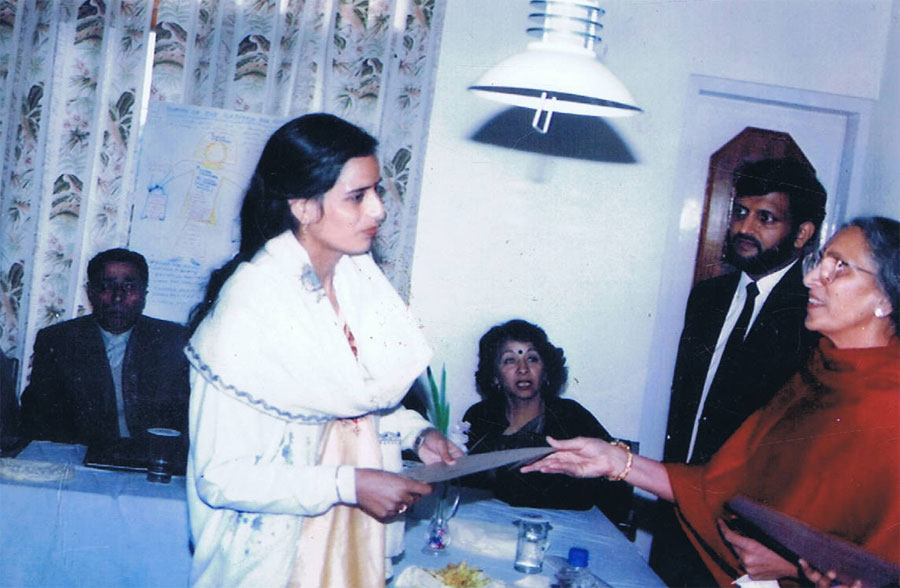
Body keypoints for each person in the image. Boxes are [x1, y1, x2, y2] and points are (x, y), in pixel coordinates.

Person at [524, 217, 899, 587]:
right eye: (820, 262)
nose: (811, 278)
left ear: (884, 299)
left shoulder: (890, 403)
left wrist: (794, 569)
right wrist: (614, 460)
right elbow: (718, 488)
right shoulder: (817, 373)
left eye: (840, 267)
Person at [185, 113, 461, 588]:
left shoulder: (356, 285)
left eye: (377, 192)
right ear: (303, 207)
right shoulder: (249, 309)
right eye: (357, 196)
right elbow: (222, 476)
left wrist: (416, 434)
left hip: (348, 544)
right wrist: (348, 483)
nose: (378, 211)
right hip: (275, 561)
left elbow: (344, 401)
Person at [654, 157, 827, 586]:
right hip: (679, 509)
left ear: (802, 233)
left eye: (765, 218)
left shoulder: (813, 319)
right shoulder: (707, 298)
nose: (744, 228)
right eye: (741, 212)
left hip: (750, 537)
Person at [462, 319, 631, 521]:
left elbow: (614, 485)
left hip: (563, 527)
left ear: (546, 371)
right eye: (510, 360)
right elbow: (465, 485)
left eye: (532, 359)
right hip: (489, 525)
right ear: (494, 375)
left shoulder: (572, 416)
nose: (523, 369)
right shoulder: (480, 416)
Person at [20, 248, 190, 446]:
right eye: (106, 286)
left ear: (144, 293)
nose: (118, 297)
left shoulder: (173, 341)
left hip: (150, 456)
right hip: (81, 454)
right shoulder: (59, 341)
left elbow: (185, 418)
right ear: (90, 292)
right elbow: (38, 417)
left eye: (129, 287)